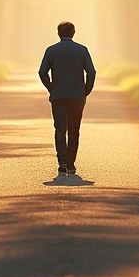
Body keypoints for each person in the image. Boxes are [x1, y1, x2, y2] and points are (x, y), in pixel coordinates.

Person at [37, 21, 97, 176]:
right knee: (74, 129)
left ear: (58, 33)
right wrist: (86, 90)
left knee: (60, 128)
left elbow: (42, 72)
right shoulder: (82, 50)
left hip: (58, 96)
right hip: (77, 97)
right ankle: (71, 164)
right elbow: (91, 72)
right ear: (74, 32)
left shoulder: (51, 50)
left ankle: (62, 162)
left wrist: (51, 87)